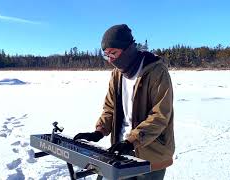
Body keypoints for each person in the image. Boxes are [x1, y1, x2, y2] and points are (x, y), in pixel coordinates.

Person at [74, 24, 175, 180]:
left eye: (113, 53)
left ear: (128, 49)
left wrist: (132, 141)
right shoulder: (117, 74)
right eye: (106, 55)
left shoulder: (156, 71)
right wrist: (99, 131)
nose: (110, 60)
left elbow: (160, 115)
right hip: (121, 151)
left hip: (152, 154)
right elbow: (110, 108)